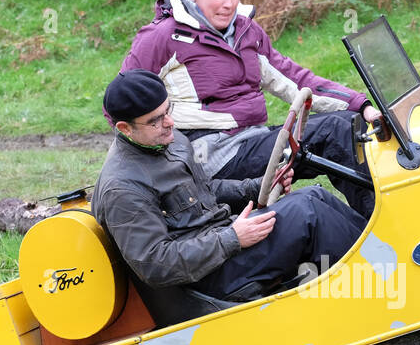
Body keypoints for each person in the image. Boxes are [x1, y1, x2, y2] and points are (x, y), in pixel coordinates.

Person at [113, 0, 379, 218]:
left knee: (347, 125)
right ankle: (382, 231)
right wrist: (154, 170)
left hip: (251, 140)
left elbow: (293, 78)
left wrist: (361, 105)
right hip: (209, 156)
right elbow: (120, 104)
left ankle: (377, 223)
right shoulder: (162, 37)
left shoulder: (245, 31)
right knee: (333, 133)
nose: (229, 4)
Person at [93, 70, 366, 313]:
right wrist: (232, 238)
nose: (170, 123)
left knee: (314, 196)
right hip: (210, 279)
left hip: (224, 242)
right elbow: (156, 264)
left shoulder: (168, 142)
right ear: (125, 128)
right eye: (155, 120)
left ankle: (380, 270)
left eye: (169, 110)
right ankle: (379, 291)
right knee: (307, 212)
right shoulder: (122, 188)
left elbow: (205, 189)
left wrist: (256, 186)